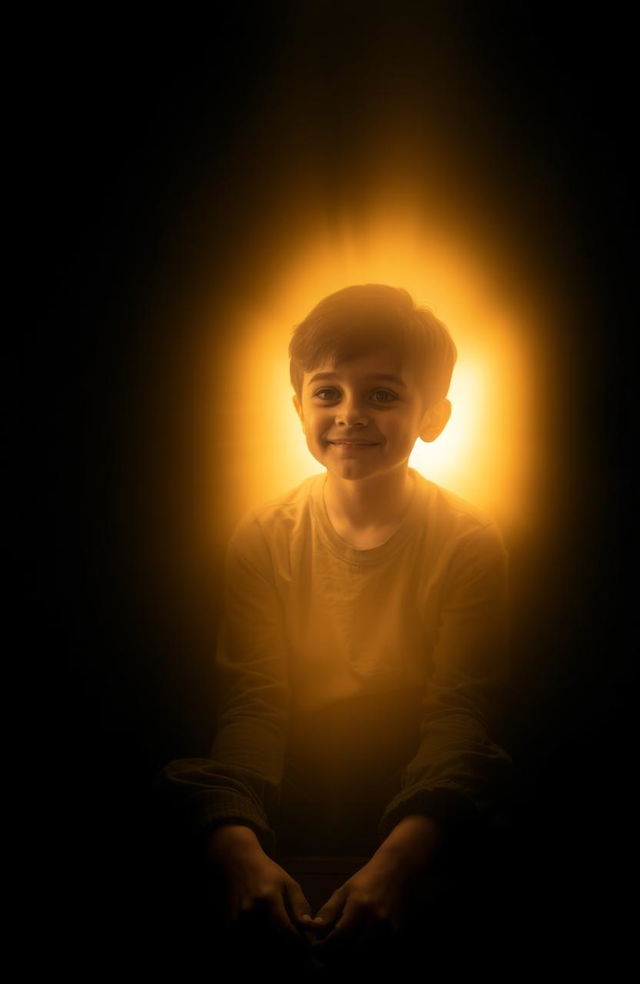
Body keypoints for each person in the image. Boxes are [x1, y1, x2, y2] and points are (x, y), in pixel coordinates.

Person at [159, 284, 513, 976]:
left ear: (434, 416)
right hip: (288, 809)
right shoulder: (263, 536)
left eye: (382, 394)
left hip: (420, 817)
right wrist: (239, 847)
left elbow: (459, 715)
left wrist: (400, 863)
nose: (350, 415)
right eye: (328, 393)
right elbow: (254, 703)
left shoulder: (469, 542)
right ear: (298, 408)